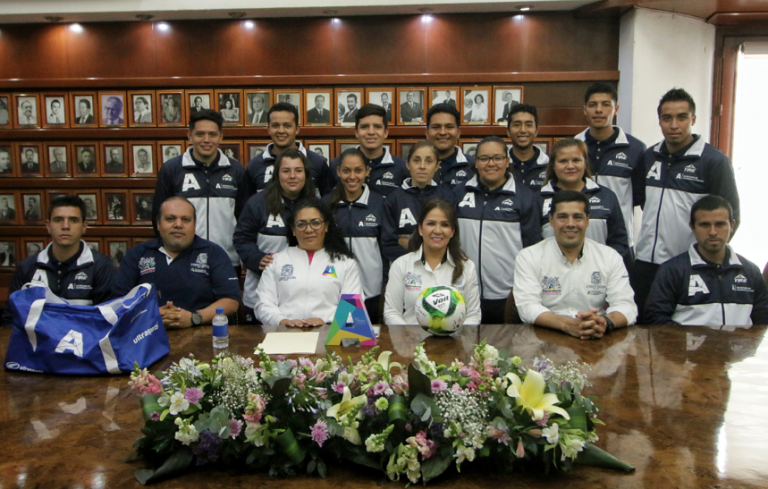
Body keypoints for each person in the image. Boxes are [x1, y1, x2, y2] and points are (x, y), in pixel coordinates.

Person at [633, 88, 741, 321]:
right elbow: (644, 203)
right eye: (667, 118)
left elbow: (732, 219)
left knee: (679, 335)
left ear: (693, 119)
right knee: (641, 330)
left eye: (682, 117)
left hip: (687, 266)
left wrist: (707, 258)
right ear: (659, 121)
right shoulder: (649, 156)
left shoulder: (714, 161)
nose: (674, 125)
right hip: (645, 264)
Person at [514, 191, 637, 338]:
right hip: (545, 339)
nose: (570, 224)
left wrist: (603, 322)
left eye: (577, 217)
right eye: (562, 217)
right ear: (551, 220)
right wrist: (566, 324)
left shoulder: (609, 257)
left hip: (596, 336)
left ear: (587, 220)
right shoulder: (529, 257)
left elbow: (627, 306)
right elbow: (527, 307)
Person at [113, 197, 240, 329]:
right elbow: (118, 301)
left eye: (185, 219)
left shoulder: (213, 253)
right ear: (158, 224)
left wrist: (194, 318)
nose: (178, 224)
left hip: (202, 334)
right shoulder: (138, 254)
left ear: (194, 225)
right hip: (147, 334)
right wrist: (150, 315)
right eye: (170, 219)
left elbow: (231, 301)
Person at [455, 136, 542, 324]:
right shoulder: (458, 193)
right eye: (484, 158)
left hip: (508, 295)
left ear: (507, 161)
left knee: (506, 350)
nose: (491, 164)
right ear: (476, 163)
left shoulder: (525, 197)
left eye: (497, 158)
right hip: (464, 291)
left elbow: (534, 248)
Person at [645, 195, 768, 326]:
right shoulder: (671, 271)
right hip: (684, 347)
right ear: (692, 227)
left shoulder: (751, 272)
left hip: (741, 347)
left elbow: (763, 322)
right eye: (705, 225)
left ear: (732, 225)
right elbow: (655, 319)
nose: (713, 232)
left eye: (720, 224)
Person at [153, 109, 247, 270]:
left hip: (225, 261)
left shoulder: (236, 170)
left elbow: (245, 220)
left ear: (221, 136)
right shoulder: (172, 169)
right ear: (189, 135)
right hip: (182, 260)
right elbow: (158, 217)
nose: (206, 140)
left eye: (212, 134)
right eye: (200, 134)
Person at [235, 149, 317, 323]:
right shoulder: (257, 203)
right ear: (277, 174)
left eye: (298, 170)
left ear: (306, 174)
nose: (292, 176)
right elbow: (241, 239)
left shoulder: (317, 205)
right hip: (261, 295)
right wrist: (257, 259)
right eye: (286, 171)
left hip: (301, 297)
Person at [254, 199, 362, 327]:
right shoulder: (276, 261)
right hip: (284, 334)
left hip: (329, 334)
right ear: (293, 230)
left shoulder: (346, 263)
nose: (309, 230)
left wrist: (326, 322)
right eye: (301, 224)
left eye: (315, 223)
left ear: (326, 226)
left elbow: (352, 307)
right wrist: (283, 322)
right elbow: (263, 304)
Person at [7, 196, 114, 314]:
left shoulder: (101, 266)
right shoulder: (27, 267)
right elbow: (12, 317)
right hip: (39, 332)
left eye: (73, 220)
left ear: (84, 226)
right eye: (58, 220)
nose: (65, 226)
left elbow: (105, 318)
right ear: (48, 225)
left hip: (83, 332)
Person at [384, 198, 481, 326]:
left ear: (452, 231)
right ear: (420, 229)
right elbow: (391, 312)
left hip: (455, 342)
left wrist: (458, 341)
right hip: (411, 341)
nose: (437, 230)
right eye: (431, 224)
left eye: (445, 225)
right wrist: (406, 339)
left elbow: (473, 315)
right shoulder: (401, 265)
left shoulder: (467, 267)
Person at [574, 83, 647, 247]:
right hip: (577, 240)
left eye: (606, 104)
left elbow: (639, 196)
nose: (598, 110)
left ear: (616, 109)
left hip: (618, 242)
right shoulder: (573, 146)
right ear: (585, 109)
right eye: (593, 105)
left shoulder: (635, 149)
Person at [324, 148, 386, 323]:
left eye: (358, 170)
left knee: (366, 343)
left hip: (370, 290)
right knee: (338, 341)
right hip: (336, 289)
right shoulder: (326, 204)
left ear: (367, 171)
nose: (352, 176)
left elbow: (386, 246)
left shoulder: (380, 203)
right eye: (346, 171)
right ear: (338, 172)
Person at [540, 138, 628, 256]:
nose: (570, 166)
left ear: (585, 163)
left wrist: (607, 266)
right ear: (553, 166)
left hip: (598, 271)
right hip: (551, 270)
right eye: (563, 161)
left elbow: (619, 241)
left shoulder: (607, 197)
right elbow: (532, 242)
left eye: (576, 160)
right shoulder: (538, 199)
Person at [382, 141, 458, 263]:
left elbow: (451, 239)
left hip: (440, 267)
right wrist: (419, 257)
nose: (422, 166)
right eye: (416, 160)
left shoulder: (448, 198)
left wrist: (409, 242)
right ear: (408, 164)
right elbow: (388, 245)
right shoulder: (394, 199)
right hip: (404, 267)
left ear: (437, 165)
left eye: (429, 161)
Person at [246, 102, 332, 196]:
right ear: (269, 129)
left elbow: (327, 203)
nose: (281, 131)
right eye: (275, 126)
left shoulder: (318, 163)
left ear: (297, 129)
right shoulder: (254, 165)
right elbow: (250, 206)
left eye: (287, 126)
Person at [328, 104, 408, 197]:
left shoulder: (402, 168)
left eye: (377, 126)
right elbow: (328, 203)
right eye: (364, 127)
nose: (371, 132)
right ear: (356, 132)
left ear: (386, 132)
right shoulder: (337, 164)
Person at [426, 103, 474, 188]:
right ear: (427, 133)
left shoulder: (473, 166)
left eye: (449, 127)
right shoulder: (413, 167)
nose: (442, 132)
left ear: (458, 133)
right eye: (436, 127)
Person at [506, 104, 549, 190]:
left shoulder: (550, 165)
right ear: (508, 131)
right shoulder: (500, 165)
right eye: (517, 125)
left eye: (529, 125)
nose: (523, 130)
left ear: (536, 131)